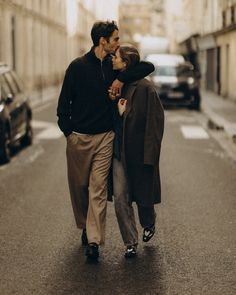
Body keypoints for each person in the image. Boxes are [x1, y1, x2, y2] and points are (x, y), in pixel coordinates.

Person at [57, 21, 154, 260]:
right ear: (103, 41)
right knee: (79, 189)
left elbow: (146, 66)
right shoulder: (77, 67)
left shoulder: (114, 67)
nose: (118, 43)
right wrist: (68, 132)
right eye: (115, 39)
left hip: (105, 137)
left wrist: (120, 80)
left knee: (98, 188)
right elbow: (63, 105)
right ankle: (85, 226)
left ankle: (94, 240)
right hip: (79, 138)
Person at [111, 44, 165, 258]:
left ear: (126, 63)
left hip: (139, 151)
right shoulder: (115, 85)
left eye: (116, 57)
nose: (113, 59)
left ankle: (149, 223)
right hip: (118, 151)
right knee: (120, 197)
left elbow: (156, 122)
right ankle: (130, 242)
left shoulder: (146, 89)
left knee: (144, 197)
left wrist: (151, 154)